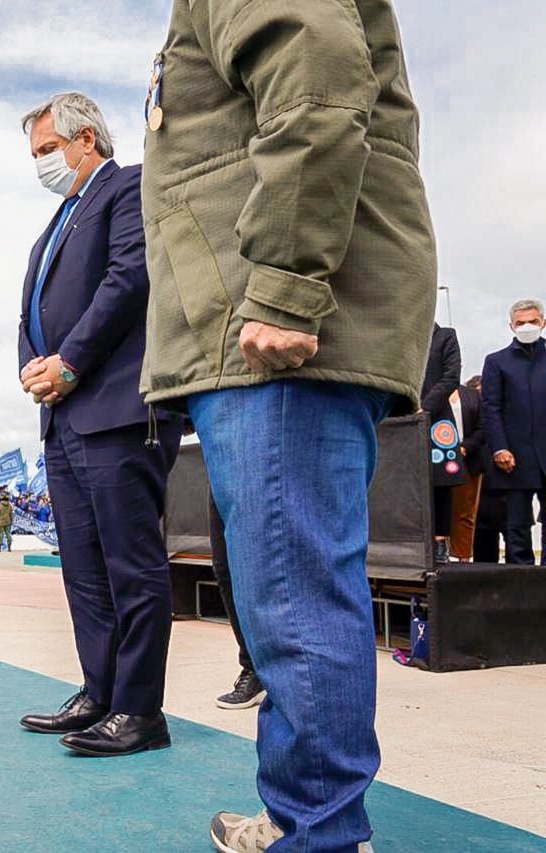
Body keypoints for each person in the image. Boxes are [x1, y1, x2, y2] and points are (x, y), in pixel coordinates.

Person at [140, 2, 438, 849]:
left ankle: (321, 834)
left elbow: (315, 84)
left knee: (294, 594)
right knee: (291, 592)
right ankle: (310, 817)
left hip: (271, 326)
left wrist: (282, 280)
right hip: (257, 322)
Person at [16, 92, 183, 759]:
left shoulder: (129, 188)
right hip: (63, 420)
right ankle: (101, 689)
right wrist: (34, 368)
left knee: (131, 566)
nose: (41, 165)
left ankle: (140, 710)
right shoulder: (55, 223)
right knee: (83, 568)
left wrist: (71, 362)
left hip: (117, 408)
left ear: (87, 138)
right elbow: (33, 309)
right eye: (35, 155)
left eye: (47, 150)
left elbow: (128, 278)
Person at [480, 299, 546, 566]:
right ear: (511, 326)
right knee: (517, 526)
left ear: (543, 322)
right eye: (521, 323)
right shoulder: (497, 362)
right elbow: (490, 408)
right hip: (513, 458)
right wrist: (499, 448)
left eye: (532, 321)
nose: (527, 326)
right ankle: (523, 582)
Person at [208, 498, 264, 710]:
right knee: (225, 567)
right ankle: (254, 669)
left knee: (262, 568)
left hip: (268, 472)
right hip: (221, 469)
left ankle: (283, 669)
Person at [421, 324, 463, 564]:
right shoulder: (401, 332)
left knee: (441, 482)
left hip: (437, 420)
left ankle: (440, 543)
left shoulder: (445, 336)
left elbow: (451, 377)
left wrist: (424, 407)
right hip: (399, 418)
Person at [448, 376, 486, 561]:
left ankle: (463, 559)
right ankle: (439, 558)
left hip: (467, 459)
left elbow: (482, 427)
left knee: (465, 513)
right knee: (437, 512)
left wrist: (465, 447)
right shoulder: (429, 395)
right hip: (436, 460)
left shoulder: (473, 396)